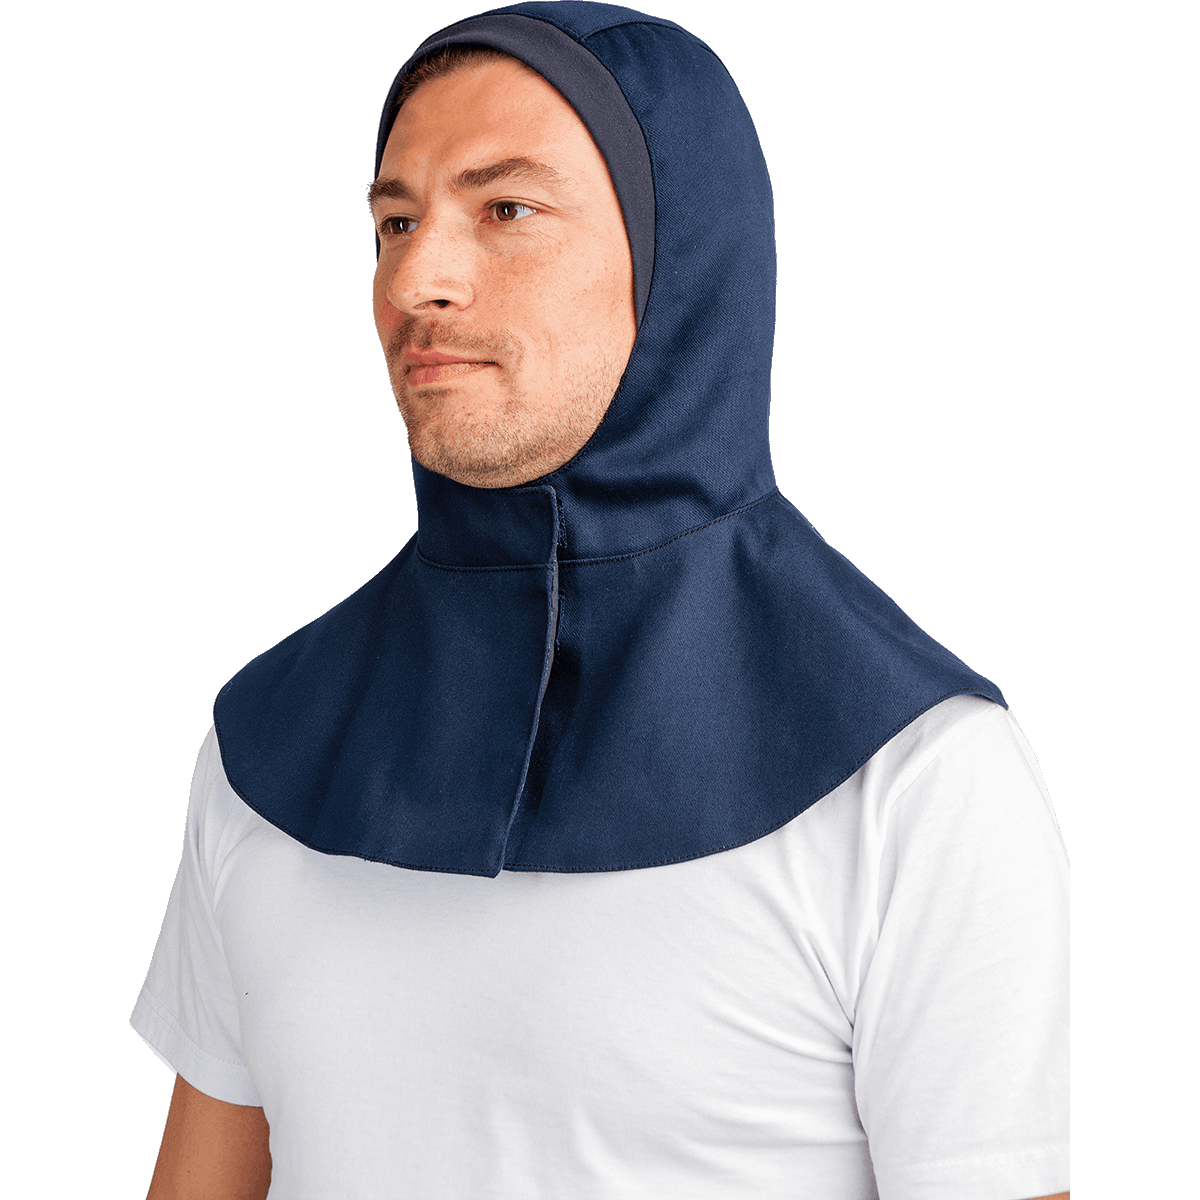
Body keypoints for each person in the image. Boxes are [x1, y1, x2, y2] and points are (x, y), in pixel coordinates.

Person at [134, 4, 1070, 1197]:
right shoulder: (265, 745)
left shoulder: (920, 775)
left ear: (681, 255)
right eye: (396, 220)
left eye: (505, 210)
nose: (417, 279)